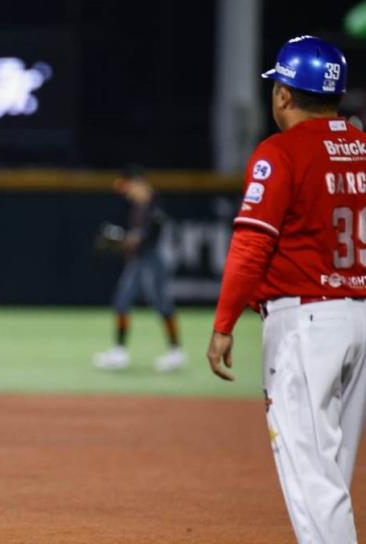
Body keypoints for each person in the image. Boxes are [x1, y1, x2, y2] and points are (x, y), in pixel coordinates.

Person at [207, 35, 366, 543]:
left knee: (312, 477)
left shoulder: (280, 152)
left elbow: (252, 247)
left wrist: (223, 324)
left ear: (283, 95)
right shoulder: (362, 148)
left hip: (307, 325)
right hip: (358, 320)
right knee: (331, 471)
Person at [93, 164, 186, 372]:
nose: (125, 191)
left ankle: (176, 352)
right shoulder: (139, 205)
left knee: (162, 304)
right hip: (138, 260)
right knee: (122, 301)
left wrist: (127, 240)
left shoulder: (154, 204)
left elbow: (152, 234)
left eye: (127, 186)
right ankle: (119, 353)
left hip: (154, 261)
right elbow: (137, 238)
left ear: (138, 183)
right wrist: (125, 241)